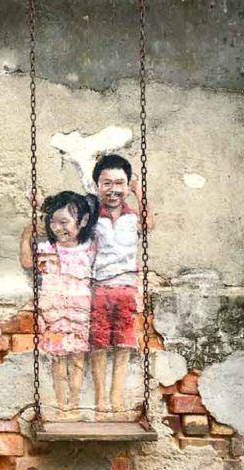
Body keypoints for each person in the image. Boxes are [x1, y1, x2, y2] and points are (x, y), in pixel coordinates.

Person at [20, 191, 98, 418]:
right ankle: (60, 406)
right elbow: (27, 262)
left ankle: (73, 403)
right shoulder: (48, 250)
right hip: (54, 313)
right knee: (58, 359)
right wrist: (26, 236)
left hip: (80, 314)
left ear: (82, 222)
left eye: (64, 222)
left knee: (77, 359)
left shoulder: (89, 248)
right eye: (52, 222)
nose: (57, 228)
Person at [88, 153, 155, 417]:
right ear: (97, 186)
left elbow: (150, 224)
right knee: (99, 344)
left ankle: (116, 397)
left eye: (119, 183)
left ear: (127, 186)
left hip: (127, 287)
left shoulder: (133, 217)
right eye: (106, 183)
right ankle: (100, 399)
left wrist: (140, 193)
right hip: (99, 288)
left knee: (124, 344)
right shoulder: (92, 217)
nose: (113, 190)